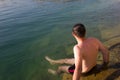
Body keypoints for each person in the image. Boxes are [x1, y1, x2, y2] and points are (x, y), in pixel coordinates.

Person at [45, 23, 109, 80]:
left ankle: (56, 73)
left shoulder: (77, 48)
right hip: (93, 66)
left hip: (84, 72)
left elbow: (78, 69)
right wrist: (104, 65)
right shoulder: (94, 40)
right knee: (66, 60)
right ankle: (53, 61)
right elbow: (105, 52)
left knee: (61, 68)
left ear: (73, 34)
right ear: (85, 31)